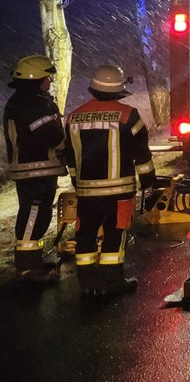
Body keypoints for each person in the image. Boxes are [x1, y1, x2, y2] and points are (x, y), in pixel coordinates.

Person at [63, 65, 155, 296]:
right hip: (119, 191)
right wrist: (148, 180)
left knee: (85, 234)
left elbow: (71, 157)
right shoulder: (128, 116)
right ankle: (113, 282)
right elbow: (141, 154)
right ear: (119, 90)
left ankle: (86, 283)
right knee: (115, 233)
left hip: (86, 191)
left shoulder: (74, 117)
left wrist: (77, 182)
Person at [3, 55, 67, 283]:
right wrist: (66, 146)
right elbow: (52, 135)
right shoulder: (35, 104)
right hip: (36, 169)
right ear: (36, 79)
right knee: (33, 215)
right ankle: (28, 269)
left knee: (35, 214)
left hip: (33, 169)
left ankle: (33, 262)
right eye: (46, 77)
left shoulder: (22, 101)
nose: (49, 81)